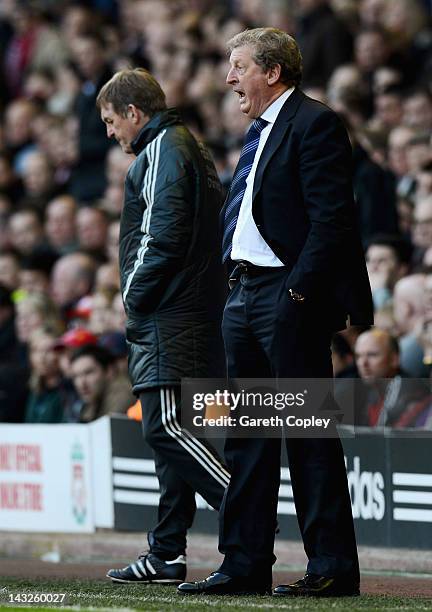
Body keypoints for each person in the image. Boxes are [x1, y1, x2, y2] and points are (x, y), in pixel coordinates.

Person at [179, 27, 373, 598]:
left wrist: (296, 296)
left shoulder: (314, 123)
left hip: (285, 299)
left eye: (238, 66)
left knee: (307, 436)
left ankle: (332, 566)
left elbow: (332, 222)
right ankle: (243, 563)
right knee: (246, 438)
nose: (228, 78)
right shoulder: (258, 132)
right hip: (242, 297)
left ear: (272, 71)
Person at [97, 68, 229, 584]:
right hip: (188, 310)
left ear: (134, 113)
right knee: (175, 437)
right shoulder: (183, 146)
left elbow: (161, 236)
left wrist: (132, 295)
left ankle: (245, 510)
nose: (110, 133)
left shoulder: (163, 150)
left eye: (112, 121)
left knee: (164, 427)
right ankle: (166, 551)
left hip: (170, 314)